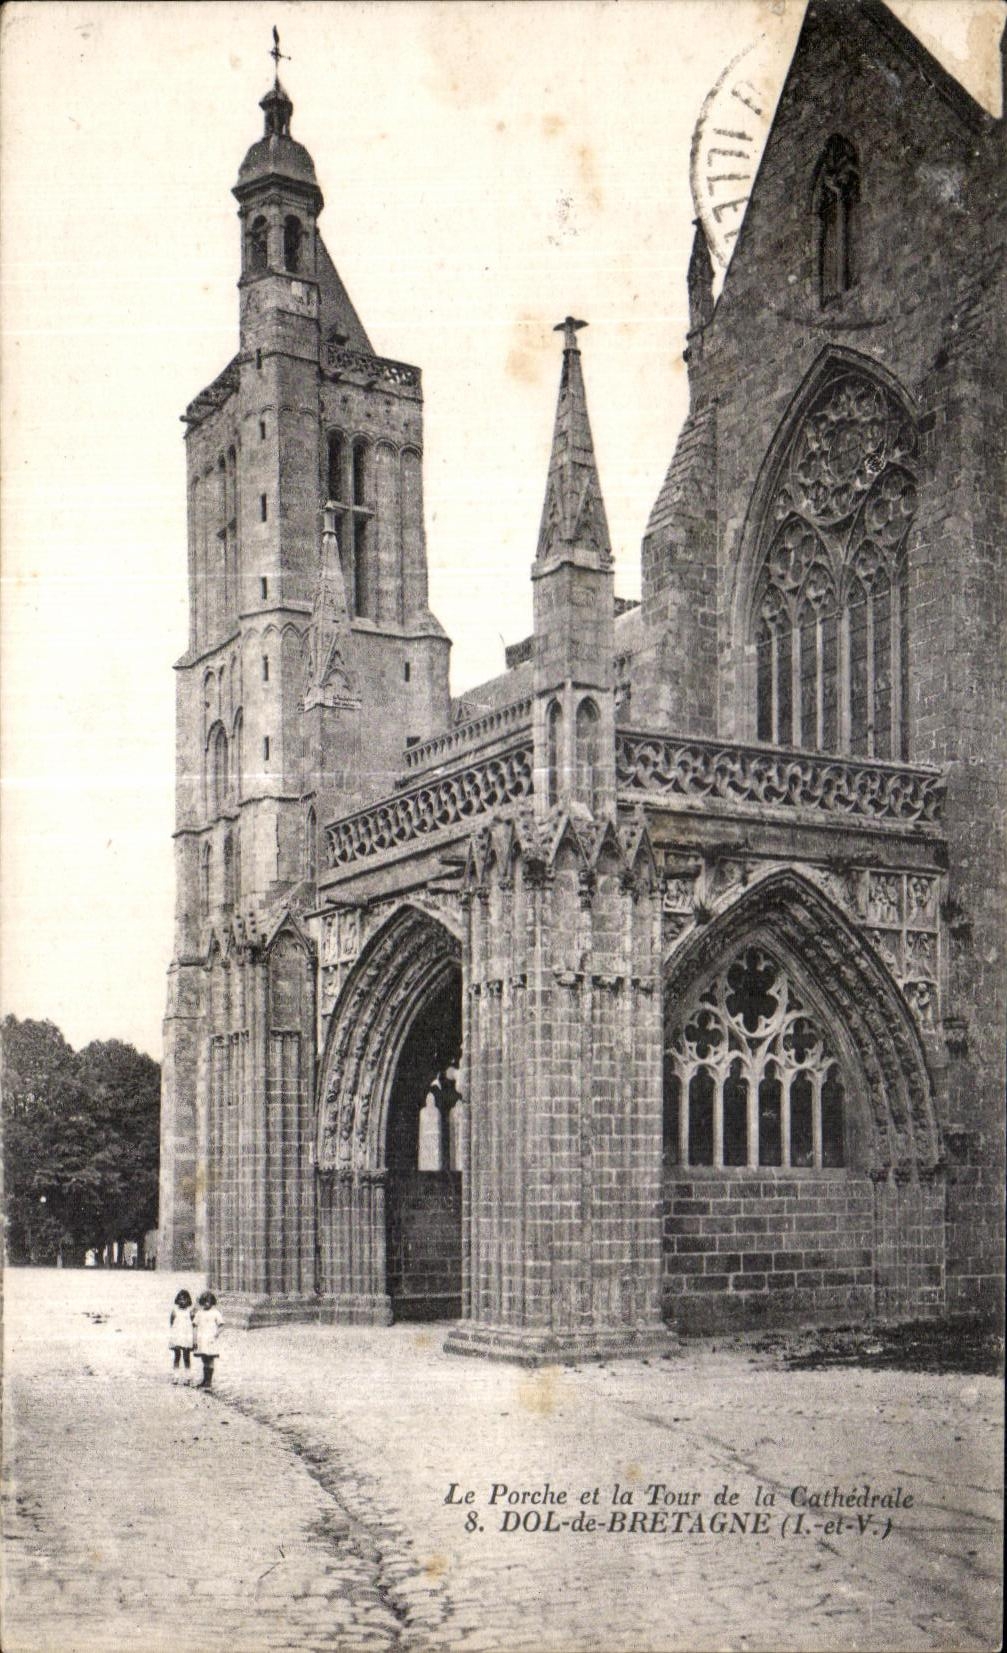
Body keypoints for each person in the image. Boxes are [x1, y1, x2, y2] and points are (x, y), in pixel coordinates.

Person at [192, 1290, 224, 1389]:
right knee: (204, 1359)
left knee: (210, 1359)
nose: (207, 1304)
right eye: (205, 1301)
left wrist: (216, 1334)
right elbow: (194, 1326)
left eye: (209, 1302)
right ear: (202, 1302)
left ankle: (209, 1382)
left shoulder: (215, 1313)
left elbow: (221, 1325)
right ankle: (204, 1380)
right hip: (202, 1339)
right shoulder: (199, 1313)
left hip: (210, 1339)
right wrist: (194, 1339)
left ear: (212, 1302)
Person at [169, 1289, 194, 1376]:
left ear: (188, 1300)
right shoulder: (174, 1311)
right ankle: (176, 1375)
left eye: (184, 1299)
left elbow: (193, 1324)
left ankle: (188, 1375)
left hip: (186, 1336)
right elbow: (171, 1323)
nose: (182, 1301)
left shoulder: (190, 1312)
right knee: (177, 1355)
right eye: (180, 1299)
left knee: (186, 1356)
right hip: (177, 1336)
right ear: (177, 1300)